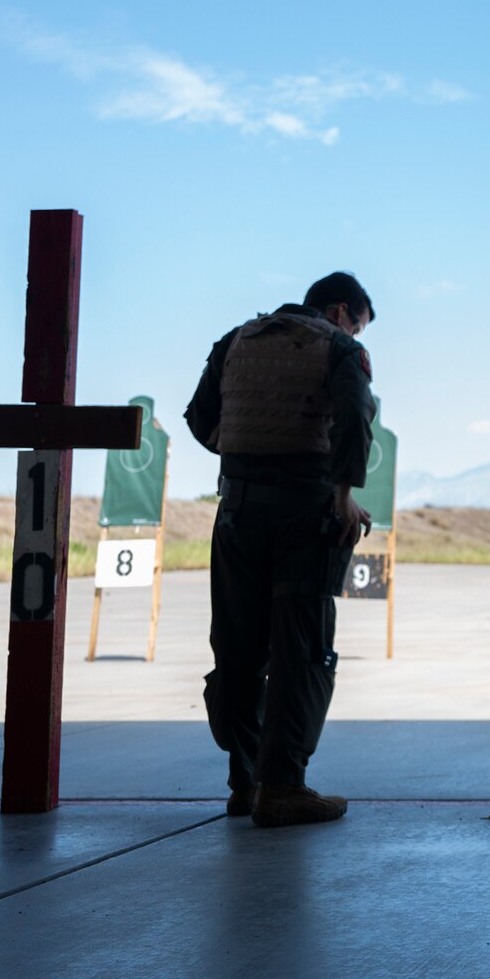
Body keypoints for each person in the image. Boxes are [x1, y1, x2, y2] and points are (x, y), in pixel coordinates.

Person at [185, 271, 376, 828]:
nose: (359, 332)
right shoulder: (341, 347)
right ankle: (283, 787)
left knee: (239, 650)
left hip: (238, 514)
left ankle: (245, 784)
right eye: (360, 323)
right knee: (302, 651)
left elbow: (201, 419)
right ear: (341, 312)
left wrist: (249, 460)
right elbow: (354, 422)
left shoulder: (236, 340)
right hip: (305, 518)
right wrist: (342, 495)